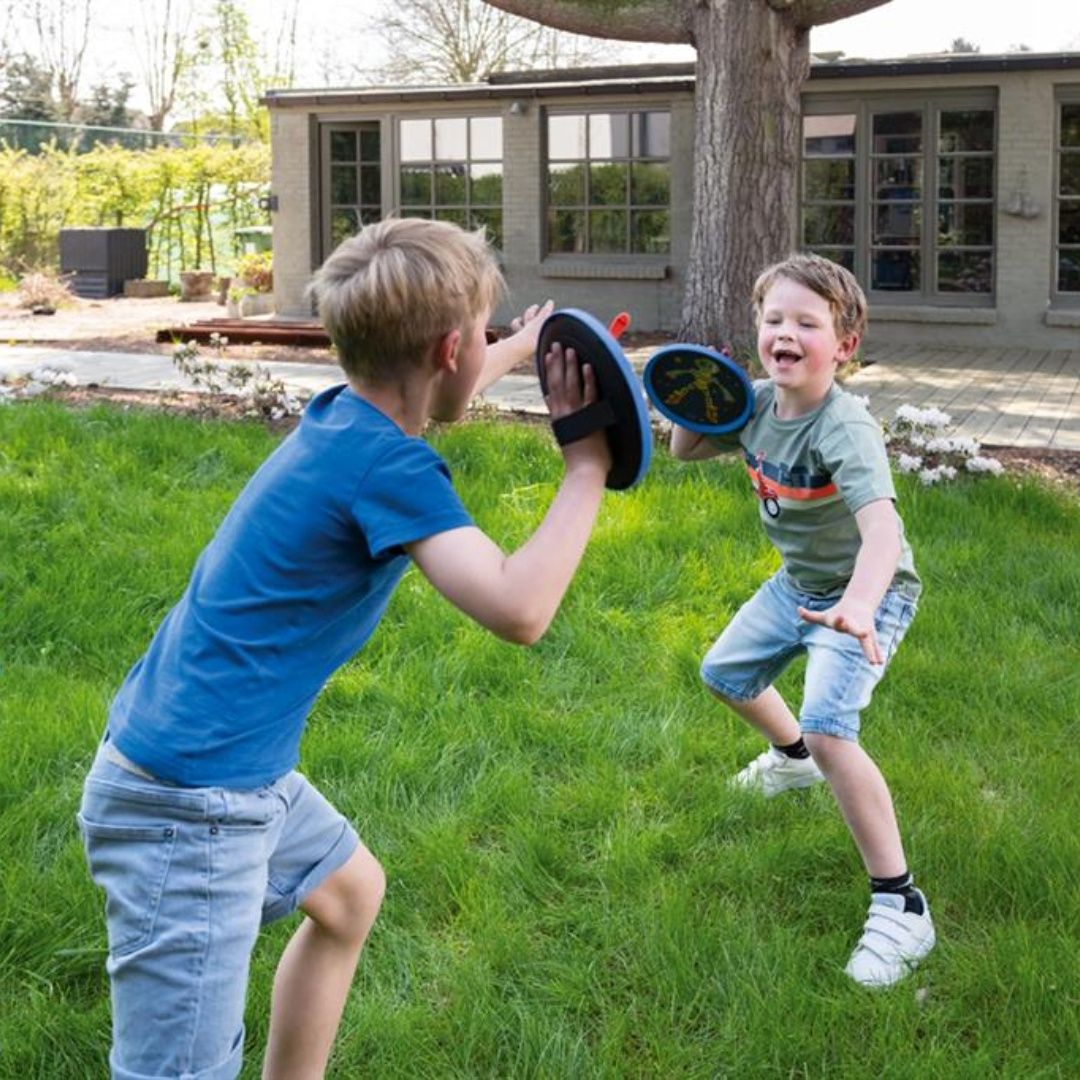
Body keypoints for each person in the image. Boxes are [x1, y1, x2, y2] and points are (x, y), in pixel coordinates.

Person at [77, 216, 613, 1079]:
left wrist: (516, 346)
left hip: (209, 755)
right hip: (189, 806)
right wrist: (586, 465)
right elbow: (520, 609)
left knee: (350, 893)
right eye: (477, 338)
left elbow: (441, 376)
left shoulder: (343, 414)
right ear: (447, 349)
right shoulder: (388, 471)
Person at [669, 252, 934, 988]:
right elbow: (684, 450)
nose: (785, 333)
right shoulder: (754, 403)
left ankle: (901, 903)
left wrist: (857, 603)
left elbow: (882, 530)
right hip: (800, 584)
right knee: (723, 673)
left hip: (866, 594)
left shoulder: (842, 429)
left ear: (843, 345)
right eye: (773, 319)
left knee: (830, 724)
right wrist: (694, 400)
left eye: (806, 323)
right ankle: (792, 763)